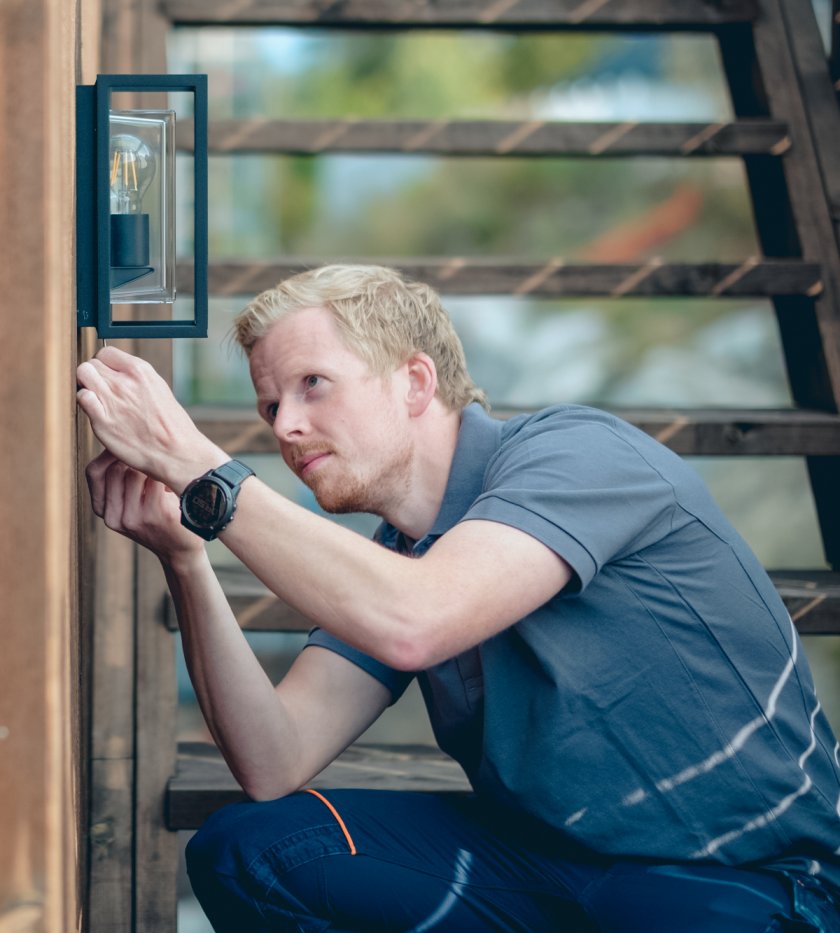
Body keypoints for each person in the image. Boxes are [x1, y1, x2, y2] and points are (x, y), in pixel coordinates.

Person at [75, 264, 840, 931]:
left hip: (750, 881)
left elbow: (417, 620)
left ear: (415, 381)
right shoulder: (396, 559)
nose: (289, 426)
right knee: (253, 849)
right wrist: (187, 555)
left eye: (313, 384)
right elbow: (273, 758)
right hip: (553, 869)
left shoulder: (579, 454)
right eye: (272, 406)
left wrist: (201, 469)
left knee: (654, 913)